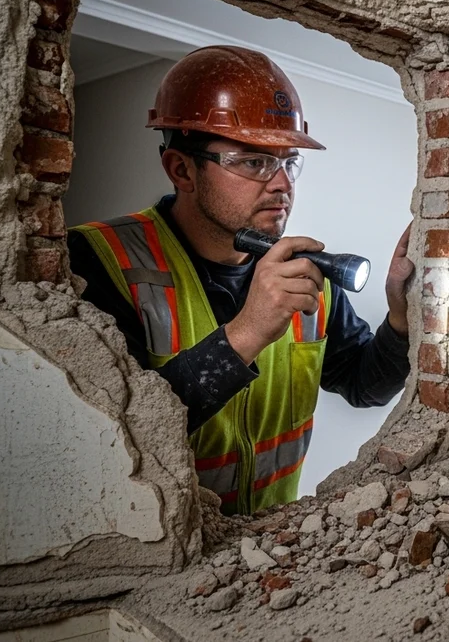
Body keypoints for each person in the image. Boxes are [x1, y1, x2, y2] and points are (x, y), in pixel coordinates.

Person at [68, 46, 412, 515]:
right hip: (162, 550)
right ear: (181, 169)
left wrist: (401, 318)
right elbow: (110, 437)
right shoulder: (97, 261)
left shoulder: (309, 272)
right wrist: (246, 333)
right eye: (253, 162)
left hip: (267, 544)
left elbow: (365, 386)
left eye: (290, 162)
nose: (282, 184)